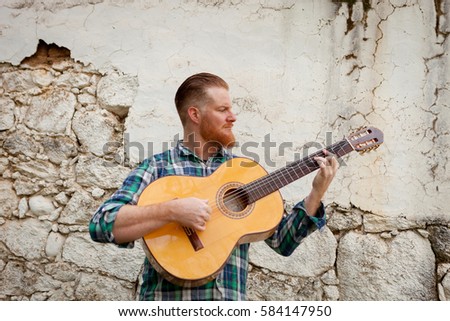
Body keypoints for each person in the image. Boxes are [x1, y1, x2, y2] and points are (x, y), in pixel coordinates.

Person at [89, 72, 339, 300]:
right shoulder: (157, 168)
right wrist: (171, 211)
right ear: (195, 114)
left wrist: (316, 193)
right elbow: (101, 224)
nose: (233, 117)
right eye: (223, 109)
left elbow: (283, 243)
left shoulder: (244, 174)